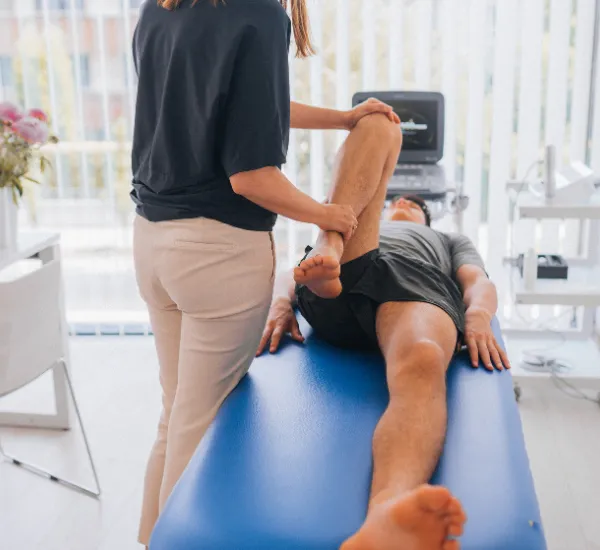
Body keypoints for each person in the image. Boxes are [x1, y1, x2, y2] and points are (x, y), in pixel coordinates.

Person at [131, 0, 401, 545]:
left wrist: (343, 118)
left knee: (175, 411)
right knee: (202, 425)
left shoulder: (162, 7)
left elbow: (238, 106)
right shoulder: (256, 14)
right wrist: (327, 216)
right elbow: (250, 177)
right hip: (216, 255)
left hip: (151, 242)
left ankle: (151, 540)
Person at [258, 114, 511, 550]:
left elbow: (478, 282)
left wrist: (479, 316)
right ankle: (330, 256)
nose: (405, 204)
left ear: (426, 220)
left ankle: (386, 515)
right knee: (377, 124)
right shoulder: (367, 215)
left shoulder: (448, 240)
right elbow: (287, 275)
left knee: (424, 356)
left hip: (415, 285)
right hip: (351, 263)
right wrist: (280, 304)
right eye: (399, 201)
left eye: (415, 206)